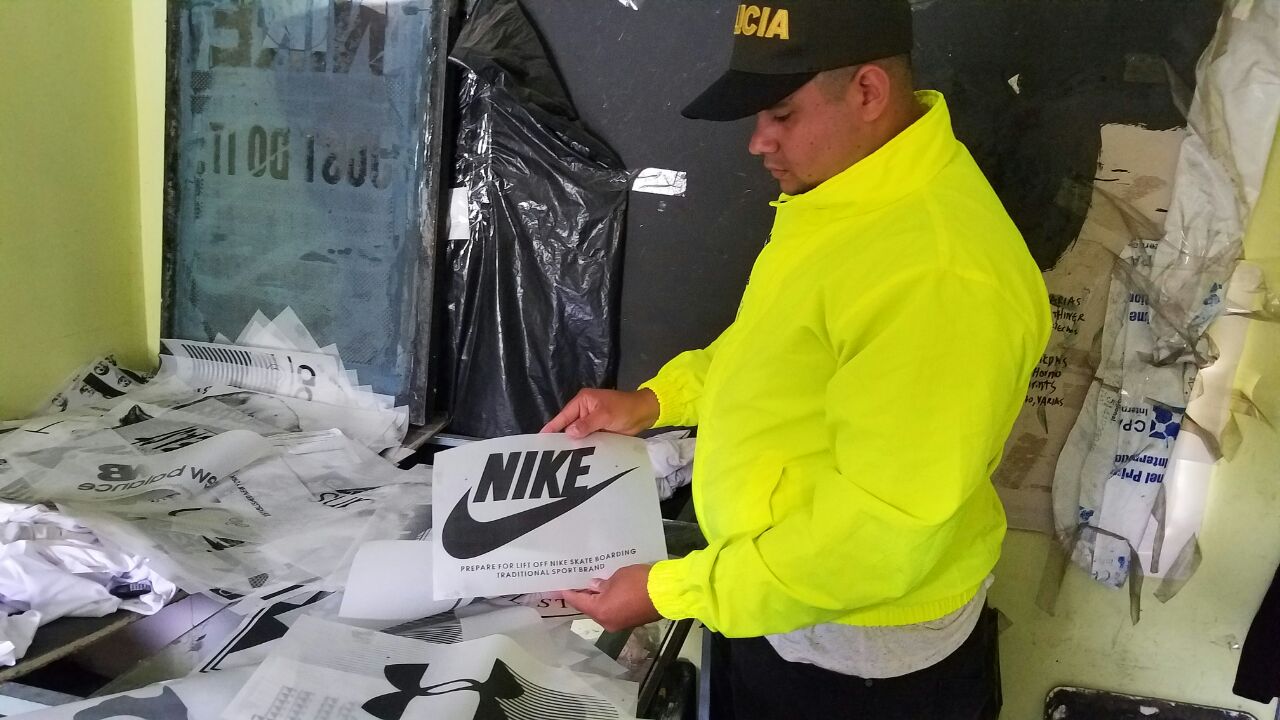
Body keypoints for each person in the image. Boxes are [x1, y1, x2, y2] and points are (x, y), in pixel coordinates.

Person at [542, 1, 1050, 717]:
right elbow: (779, 350)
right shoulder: (850, 196)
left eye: (782, 113)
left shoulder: (939, 276)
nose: (758, 142)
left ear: (868, 91)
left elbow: (875, 538)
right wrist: (659, 400)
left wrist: (670, 591)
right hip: (774, 603)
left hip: (857, 662)